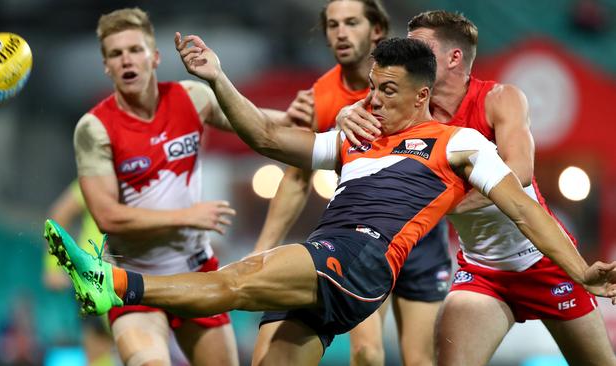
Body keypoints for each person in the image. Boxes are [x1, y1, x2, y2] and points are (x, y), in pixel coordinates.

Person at [46, 35, 616, 366]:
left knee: (239, 279)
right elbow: (267, 138)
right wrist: (218, 78)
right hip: (330, 263)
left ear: (422, 94)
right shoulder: (353, 138)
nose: (374, 99)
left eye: (388, 90)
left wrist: (580, 269)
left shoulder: (461, 142)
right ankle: (115, 286)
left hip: (362, 258)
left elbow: (524, 207)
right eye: (371, 87)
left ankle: (116, 286)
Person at [335, 10, 616, 366]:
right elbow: (347, 124)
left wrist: (440, 202)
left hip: (545, 262)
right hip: (482, 272)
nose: (409, 55)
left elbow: (519, 173)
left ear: (454, 58)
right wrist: (343, 117)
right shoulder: (410, 111)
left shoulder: (500, 99)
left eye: (419, 47)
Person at [254, 2, 450, 364]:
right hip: (364, 239)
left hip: (421, 241)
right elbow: (297, 177)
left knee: (419, 359)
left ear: (377, 29)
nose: (341, 33)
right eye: (332, 25)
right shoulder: (322, 97)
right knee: (367, 352)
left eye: (351, 23)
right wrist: (264, 246)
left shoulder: (415, 74)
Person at [71, 8, 244, 366]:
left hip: (195, 273)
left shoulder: (193, 98)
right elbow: (107, 217)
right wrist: (188, 216)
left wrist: (310, 116)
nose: (126, 60)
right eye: (116, 54)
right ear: (106, 66)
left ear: (155, 56)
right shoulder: (94, 128)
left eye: (135, 49)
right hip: (133, 277)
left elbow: (258, 125)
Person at [44, 181, 116, 366]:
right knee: (98, 351)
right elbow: (59, 214)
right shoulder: (95, 179)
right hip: (91, 281)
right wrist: (52, 266)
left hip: (126, 278)